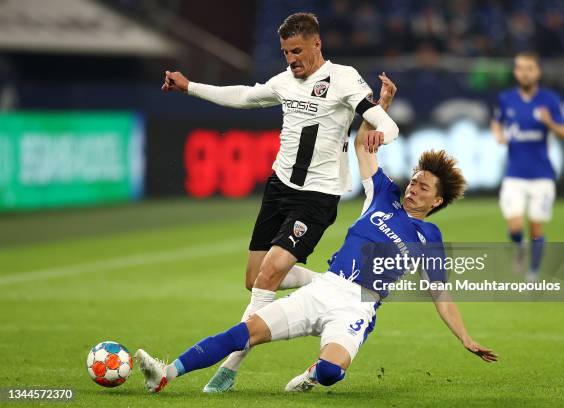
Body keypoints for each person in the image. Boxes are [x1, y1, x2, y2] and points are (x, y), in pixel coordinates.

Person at [135, 74, 496, 394]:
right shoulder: (383, 194)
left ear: (437, 200)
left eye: (423, 188)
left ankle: (312, 373)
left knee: (328, 372)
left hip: (358, 307)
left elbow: (440, 293)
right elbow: (361, 146)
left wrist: (465, 338)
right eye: (414, 181)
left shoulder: (428, 237)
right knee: (245, 331)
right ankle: (165, 373)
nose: (413, 188)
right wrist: (381, 106)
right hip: (326, 288)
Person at [162, 12, 399, 392]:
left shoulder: (342, 78)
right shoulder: (285, 81)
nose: (291, 59)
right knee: (254, 279)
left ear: (317, 44)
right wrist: (190, 86)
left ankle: (229, 369)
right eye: (286, 52)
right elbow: (242, 96)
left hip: (317, 197)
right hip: (279, 189)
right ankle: (330, 285)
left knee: (270, 272)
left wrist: (380, 135)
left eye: (297, 50)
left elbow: (386, 124)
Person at [490, 52, 564, 282]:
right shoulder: (506, 99)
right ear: (516, 72)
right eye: (521, 68)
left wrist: (550, 122)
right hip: (514, 175)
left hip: (542, 176)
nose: (525, 72)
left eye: (530, 68)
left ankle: (533, 273)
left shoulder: (550, 100)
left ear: (537, 72)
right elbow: (496, 120)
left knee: (536, 228)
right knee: (515, 226)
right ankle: (520, 246)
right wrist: (498, 134)